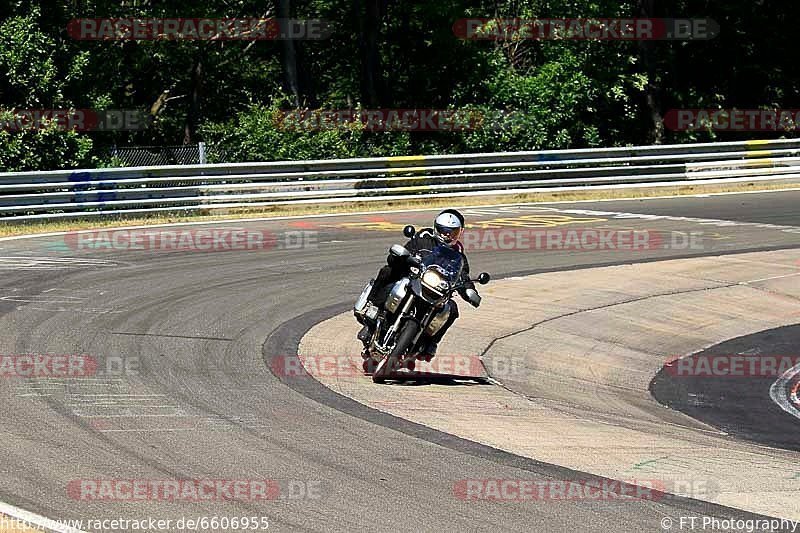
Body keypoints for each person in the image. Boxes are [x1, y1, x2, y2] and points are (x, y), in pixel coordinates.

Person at [359, 208, 477, 359]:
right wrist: (399, 257)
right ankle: (373, 308)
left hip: (435, 291)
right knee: (387, 271)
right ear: (436, 228)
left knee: (452, 309)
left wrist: (469, 291)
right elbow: (406, 251)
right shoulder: (423, 239)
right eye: (443, 230)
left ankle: (430, 343)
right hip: (414, 279)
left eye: (452, 232)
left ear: (459, 232)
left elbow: (462, 276)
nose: (447, 235)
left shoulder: (458, 254)